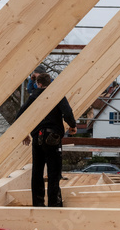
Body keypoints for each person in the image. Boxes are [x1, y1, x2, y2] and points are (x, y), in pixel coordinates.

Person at [16, 71, 76, 207]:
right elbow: (67, 112)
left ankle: (38, 204)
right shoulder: (57, 95)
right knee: (54, 173)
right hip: (53, 138)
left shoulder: (33, 97)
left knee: (37, 172)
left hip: (38, 138)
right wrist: (73, 126)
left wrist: (24, 133)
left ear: (38, 84)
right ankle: (54, 204)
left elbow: (20, 115)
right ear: (50, 83)